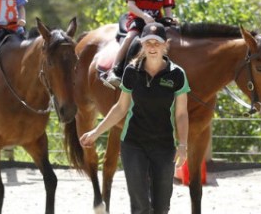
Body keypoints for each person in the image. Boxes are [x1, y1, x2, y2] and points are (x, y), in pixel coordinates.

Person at [80, 22, 189, 214]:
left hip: (164, 147)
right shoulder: (131, 71)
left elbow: (181, 114)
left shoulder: (177, 74)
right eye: (148, 42)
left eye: (157, 42)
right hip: (133, 145)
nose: (153, 47)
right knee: (140, 207)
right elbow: (120, 108)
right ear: (142, 45)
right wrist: (96, 132)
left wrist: (182, 144)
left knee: (162, 207)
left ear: (166, 45)